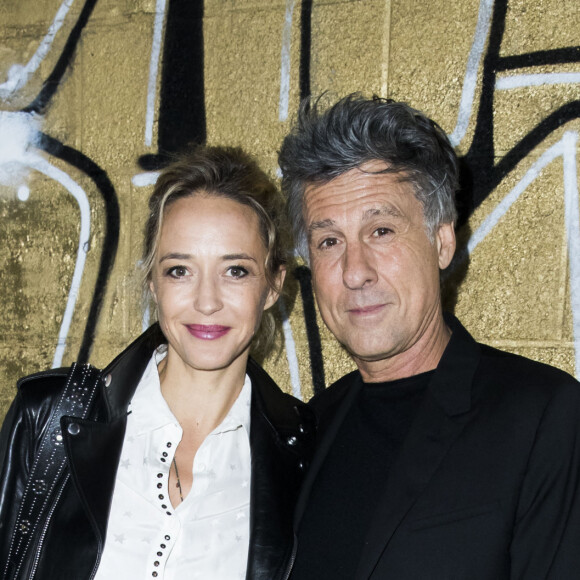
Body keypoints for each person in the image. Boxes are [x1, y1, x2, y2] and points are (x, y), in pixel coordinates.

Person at [278, 94, 580, 579]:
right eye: (329, 241)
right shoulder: (306, 433)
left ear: (442, 242)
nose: (355, 272)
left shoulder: (544, 418)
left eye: (381, 230)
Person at [0, 145, 314, 580]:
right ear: (153, 282)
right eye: (179, 270)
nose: (207, 302)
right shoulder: (51, 416)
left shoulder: (303, 457)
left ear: (274, 285)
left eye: (236, 271)